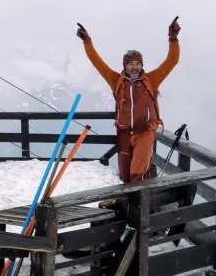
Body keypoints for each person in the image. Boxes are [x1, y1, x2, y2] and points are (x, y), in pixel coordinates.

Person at [77, 18, 181, 183]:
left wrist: (173, 38)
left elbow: (172, 61)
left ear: (142, 66)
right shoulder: (116, 80)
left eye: (137, 64)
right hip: (124, 133)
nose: (134, 67)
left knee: (137, 174)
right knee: (125, 175)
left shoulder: (151, 80)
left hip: (145, 133)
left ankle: (139, 206)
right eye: (130, 64)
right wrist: (87, 42)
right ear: (125, 66)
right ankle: (128, 206)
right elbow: (97, 63)